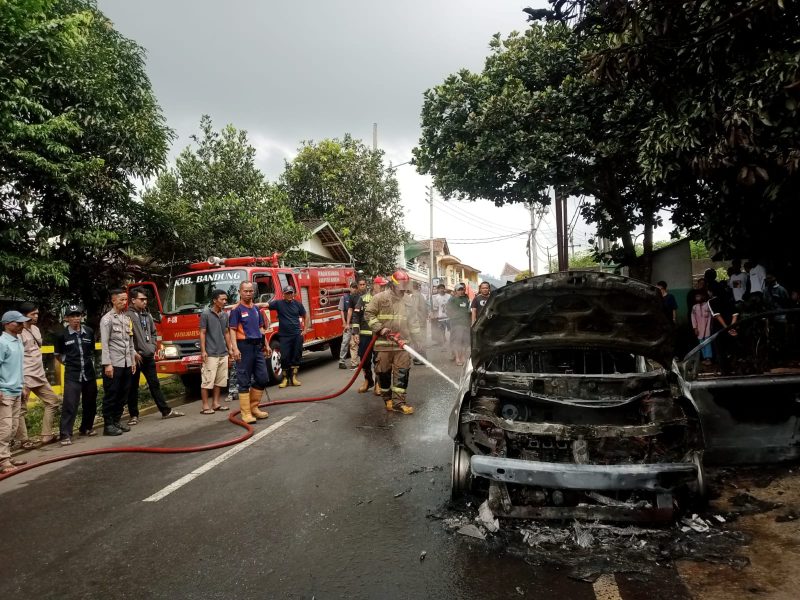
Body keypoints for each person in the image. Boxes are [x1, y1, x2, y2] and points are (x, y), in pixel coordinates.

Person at [365, 269, 420, 414]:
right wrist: (380, 329)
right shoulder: (380, 298)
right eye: (401, 283)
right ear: (393, 284)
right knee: (383, 373)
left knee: (402, 373)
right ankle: (387, 399)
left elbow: (413, 321)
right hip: (383, 344)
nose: (404, 286)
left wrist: (417, 340)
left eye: (405, 283)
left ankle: (399, 402)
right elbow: (368, 314)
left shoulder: (409, 300)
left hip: (403, 344)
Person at [126, 288, 184, 424]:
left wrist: (152, 347)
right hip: (135, 357)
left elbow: (153, 333)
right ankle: (134, 415)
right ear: (133, 300)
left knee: (154, 384)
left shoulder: (147, 315)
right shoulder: (127, 316)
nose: (145, 302)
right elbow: (126, 337)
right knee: (132, 387)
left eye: (145, 299)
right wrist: (134, 351)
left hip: (148, 356)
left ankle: (165, 411)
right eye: (142, 299)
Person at [16, 302, 61, 447]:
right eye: (32, 314)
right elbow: (16, 358)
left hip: (39, 374)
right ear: (23, 316)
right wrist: (21, 381)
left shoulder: (35, 329)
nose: (36, 316)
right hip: (26, 376)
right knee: (21, 409)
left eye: (37, 313)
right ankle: (24, 440)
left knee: (53, 401)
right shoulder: (18, 333)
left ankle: (46, 435)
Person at [54, 305, 98, 445]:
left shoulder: (89, 332)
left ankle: (86, 427)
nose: (75, 319)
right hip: (72, 375)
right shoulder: (61, 335)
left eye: (78, 315)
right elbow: (58, 356)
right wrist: (69, 363)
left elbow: (91, 350)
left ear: (81, 316)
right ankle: (65, 434)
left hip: (89, 373)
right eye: (72, 316)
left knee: (90, 402)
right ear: (66, 318)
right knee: (70, 404)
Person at [228, 281, 270, 424]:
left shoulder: (256, 309)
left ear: (254, 292)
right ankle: (246, 413)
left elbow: (261, 329)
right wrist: (235, 348)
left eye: (250, 291)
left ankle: (254, 407)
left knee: (263, 377)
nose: (248, 293)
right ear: (240, 292)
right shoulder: (236, 310)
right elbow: (232, 330)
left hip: (257, 346)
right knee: (244, 380)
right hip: (243, 346)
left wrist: (266, 344)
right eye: (245, 291)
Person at [99, 288, 136, 436]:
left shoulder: (127, 319)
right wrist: (107, 364)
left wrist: (132, 361)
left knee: (124, 394)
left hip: (127, 362)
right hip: (114, 364)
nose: (124, 302)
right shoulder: (107, 319)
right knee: (112, 394)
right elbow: (105, 343)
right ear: (113, 300)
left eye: (125, 299)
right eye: (121, 299)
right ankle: (108, 425)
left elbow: (130, 341)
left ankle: (116, 420)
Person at [199, 289, 237, 414]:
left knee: (220, 380)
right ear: (215, 300)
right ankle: (205, 406)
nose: (225, 301)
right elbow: (202, 333)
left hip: (223, 352)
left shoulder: (225, 315)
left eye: (226, 299)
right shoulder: (205, 314)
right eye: (222, 299)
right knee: (207, 381)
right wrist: (203, 351)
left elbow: (226, 332)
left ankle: (215, 403)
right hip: (210, 353)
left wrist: (230, 349)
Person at [1, 311, 29, 473]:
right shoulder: (2, 342)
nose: (21, 326)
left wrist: (23, 385)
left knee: (13, 426)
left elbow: (18, 366)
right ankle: (3, 461)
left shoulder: (18, 341)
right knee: (5, 427)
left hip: (16, 390)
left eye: (21, 323)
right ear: (7, 324)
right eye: (17, 323)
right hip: (4, 391)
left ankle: (7, 455)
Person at [268, 285, 309, 389]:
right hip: (284, 336)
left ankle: (294, 378)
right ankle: (285, 379)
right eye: (287, 293)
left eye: (291, 293)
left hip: (296, 334)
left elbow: (306, 316)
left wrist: (304, 330)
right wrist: (250, 305)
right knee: (285, 357)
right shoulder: (278, 303)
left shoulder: (298, 305)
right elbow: (264, 304)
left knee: (296, 356)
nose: (290, 295)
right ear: (283, 294)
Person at [351, 277, 376, 393]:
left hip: (379, 335)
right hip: (365, 336)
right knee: (364, 359)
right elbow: (356, 315)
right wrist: (355, 332)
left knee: (380, 360)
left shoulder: (385, 299)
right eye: (379, 285)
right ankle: (368, 380)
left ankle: (379, 383)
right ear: (374, 285)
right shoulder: (363, 299)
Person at [446, 283, 471, 366]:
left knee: (465, 341)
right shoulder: (452, 299)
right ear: (455, 291)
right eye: (459, 290)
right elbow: (448, 311)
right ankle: (457, 357)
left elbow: (468, 310)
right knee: (457, 341)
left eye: (462, 290)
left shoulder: (466, 299)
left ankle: (463, 356)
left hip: (466, 323)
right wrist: (456, 316)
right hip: (456, 323)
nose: (461, 291)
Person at [338, 281, 359, 369]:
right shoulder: (344, 297)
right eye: (352, 287)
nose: (354, 289)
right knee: (345, 342)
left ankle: (355, 362)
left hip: (356, 324)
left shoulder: (359, 297)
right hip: (348, 324)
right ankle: (341, 361)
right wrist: (344, 323)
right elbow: (342, 310)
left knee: (355, 343)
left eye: (355, 287)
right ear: (350, 288)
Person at [690, 291, 713, 364]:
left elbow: (711, 317)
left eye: (698, 296)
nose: (697, 298)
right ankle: (705, 358)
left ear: (703, 297)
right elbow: (693, 318)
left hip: (707, 328)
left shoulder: (708, 305)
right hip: (699, 329)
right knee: (701, 344)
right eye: (696, 297)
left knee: (707, 343)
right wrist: (695, 328)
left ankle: (708, 358)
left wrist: (709, 327)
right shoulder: (694, 307)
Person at [409, 281, 429, 365]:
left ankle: (421, 358)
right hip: (420, 321)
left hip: (418, 322)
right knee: (418, 340)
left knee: (418, 340)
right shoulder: (419, 295)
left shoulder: (416, 296)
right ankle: (420, 357)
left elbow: (414, 309)